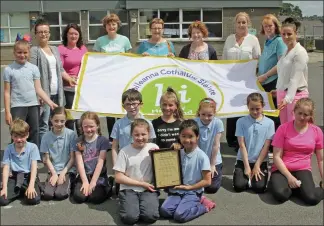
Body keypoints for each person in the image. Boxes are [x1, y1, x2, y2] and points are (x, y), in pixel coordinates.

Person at [3, 40, 57, 148]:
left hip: (33, 104)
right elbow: (7, 92)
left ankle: (33, 157)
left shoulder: (33, 68)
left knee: (34, 131)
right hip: (17, 105)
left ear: (29, 53)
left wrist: (50, 102)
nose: (22, 55)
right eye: (19, 52)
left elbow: (39, 89)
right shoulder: (9, 70)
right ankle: (17, 156)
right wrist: (7, 112)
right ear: (14, 53)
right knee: (17, 131)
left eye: (25, 52)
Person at [270, 98, 323, 205]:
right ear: (293, 112)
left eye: (306, 114)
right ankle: (290, 186)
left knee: (312, 198)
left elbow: (321, 159)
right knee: (281, 195)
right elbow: (276, 156)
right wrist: (289, 177)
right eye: (299, 113)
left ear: (311, 115)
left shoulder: (316, 131)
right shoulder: (283, 128)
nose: (302, 117)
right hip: (282, 169)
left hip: (302, 169)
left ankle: (299, 189)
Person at [160, 119, 215, 223]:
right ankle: (185, 203)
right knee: (164, 211)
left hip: (192, 191)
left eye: (190, 136)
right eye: (183, 136)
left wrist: (190, 187)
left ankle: (204, 206)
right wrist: (171, 151)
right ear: (179, 136)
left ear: (197, 136)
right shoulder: (177, 153)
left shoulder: (202, 157)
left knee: (180, 215)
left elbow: (207, 181)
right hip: (177, 190)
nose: (186, 140)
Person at [30, 18, 75, 142]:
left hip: (58, 93)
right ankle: (43, 153)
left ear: (49, 33)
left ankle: (57, 149)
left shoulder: (54, 49)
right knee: (44, 123)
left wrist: (70, 79)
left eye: (46, 31)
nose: (43, 34)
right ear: (36, 34)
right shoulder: (34, 51)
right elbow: (32, 73)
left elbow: (60, 69)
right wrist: (37, 93)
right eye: (40, 32)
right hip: (44, 94)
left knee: (58, 122)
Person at [222, 12, 261, 151]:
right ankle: (232, 140)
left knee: (245, 109)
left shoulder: (253, 40)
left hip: (247, 81)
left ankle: (244, 138)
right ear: (235, 24)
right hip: (231, 81)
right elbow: (224, 60)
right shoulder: (229, 39)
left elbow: (258, 60)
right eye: (239, 22)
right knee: (232, 109)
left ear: (248, 24)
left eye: (244, 22)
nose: (241, 25)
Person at [93, 13, 132, 143]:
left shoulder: (125, 40)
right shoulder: (99, 41)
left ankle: (123, 136)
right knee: (109, 110)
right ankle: (111, 138)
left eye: (114, 24)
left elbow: (130, 59)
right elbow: (95, 61)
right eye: (109, 24)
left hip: (121, 80)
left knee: (121, 108)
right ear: (105, 26)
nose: (111, 26)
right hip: (106, 80)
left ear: (118, 26)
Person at [113, 119, 160, 225]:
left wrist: (157, 159)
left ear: (149, 134)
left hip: (148, 188)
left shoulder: (154, 148)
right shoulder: (124, 151)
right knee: (129, 218)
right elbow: (118, 177)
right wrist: (141, 184)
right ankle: (127, 202)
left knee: (150, 216)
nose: (140, 138)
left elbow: (161, 170)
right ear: (131, 135)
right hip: (129, 188)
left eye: (143, 134)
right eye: (136, 134)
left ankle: (141, 204)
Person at [111, 88, 156, 195]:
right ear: (123, 106)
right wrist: (117, 168)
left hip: (141, 166)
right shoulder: (118, 124)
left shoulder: (148, 123)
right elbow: (114, 147)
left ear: (141, 104)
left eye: (134, 103)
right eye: (128, 104)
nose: (131, 107)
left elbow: (150, 146)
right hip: (124, 164)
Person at [233, 93, 275, 193]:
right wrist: (247, 166)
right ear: (247, 106)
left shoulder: (270, 123)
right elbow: (242, 145)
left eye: (258, 109)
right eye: (251, 109)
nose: (255, 112)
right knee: (239, 186)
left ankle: (256, 176)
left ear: (263, 106)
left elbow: (266, 146)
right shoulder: (241, 121)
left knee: (259, 188)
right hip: (244, 160)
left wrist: (257, 165)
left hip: (260, 161)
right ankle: (239, 171)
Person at [72, 112, 112, 204]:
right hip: (85, 175)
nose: (89, 129)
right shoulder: (78, 141)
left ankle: (108, 185)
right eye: (85, 126)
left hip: (99, 176)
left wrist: (93, 182)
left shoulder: (103, 141)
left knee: (95, 198)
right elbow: (80, 163)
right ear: (81, 127)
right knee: (79, 197)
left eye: (91, 126)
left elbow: (100, 163)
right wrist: (85, 181)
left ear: (97, 126)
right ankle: (81, 184)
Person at [0, 119, 42, 206]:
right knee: (2, 200)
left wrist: (31, 186)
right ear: (11, 136)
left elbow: (34, 167)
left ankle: (23, 190)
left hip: (28, 177)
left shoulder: (33, 147)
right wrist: (4, 188)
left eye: (22, 136)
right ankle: (19, 190)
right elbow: (6, 167)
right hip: (15, 177)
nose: (19, 140)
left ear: (27, 135)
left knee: (33, 199)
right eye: (15, 136)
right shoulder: (9, 148)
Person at [275, 17, 309, 124]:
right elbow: (282, 74)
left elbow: (294, 79)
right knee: (284, 128)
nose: (286, 37)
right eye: (283, 34)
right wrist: (278, 90)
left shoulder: (300, 52)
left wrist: (287, 99)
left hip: (295, 97)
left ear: (296, 33)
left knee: (295, 129)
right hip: (283, 95)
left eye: (289, 34)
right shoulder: (286, 51)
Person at [40, 107, 77, 201]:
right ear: (50, 119)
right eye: (56, 121)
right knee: (47, 195)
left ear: (66, 121)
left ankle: (71, 183)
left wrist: (63, 174)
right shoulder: (46, 137)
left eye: (62, 121)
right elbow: (46, 159)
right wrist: (54, 173)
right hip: (54, 170)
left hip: (67, 170)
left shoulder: (71, 134)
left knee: (60, 194)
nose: (59, 124)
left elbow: (73, 158)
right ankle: (52, 182)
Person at [257, 14, 287, 131]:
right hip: (264, 82)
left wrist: (266, 75)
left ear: (275, 26)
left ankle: (276, 144)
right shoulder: (267, 42)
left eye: (270, 25)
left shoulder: (279, 41)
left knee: (274, 115)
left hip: (273, 82)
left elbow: (281, 64)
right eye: (265, 26)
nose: (268, 28)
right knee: (266, 114)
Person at [58, 23, 87, 134]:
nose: (73, 36)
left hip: (81, 87)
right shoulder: (61, 49)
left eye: (76, 33)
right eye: (71, 33)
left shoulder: (83, 49)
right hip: (67, 87)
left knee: (81, 117)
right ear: (66, 35)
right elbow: (59, 68)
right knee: (70, 117)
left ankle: (82, 142)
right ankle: (69, 141)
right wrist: (69, 78)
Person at [193, 98, 224, 194]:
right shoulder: (195, 122)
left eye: (209, 115)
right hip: (199, 157)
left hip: (213, 159)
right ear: (199, 112)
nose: (206, 118)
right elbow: (195, 144)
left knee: (211, 188)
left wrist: (212, 165)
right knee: (195, 184)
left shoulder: (218, 123)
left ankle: (218, 171)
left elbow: (216, 145)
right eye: (203, 114)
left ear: (214, 113)